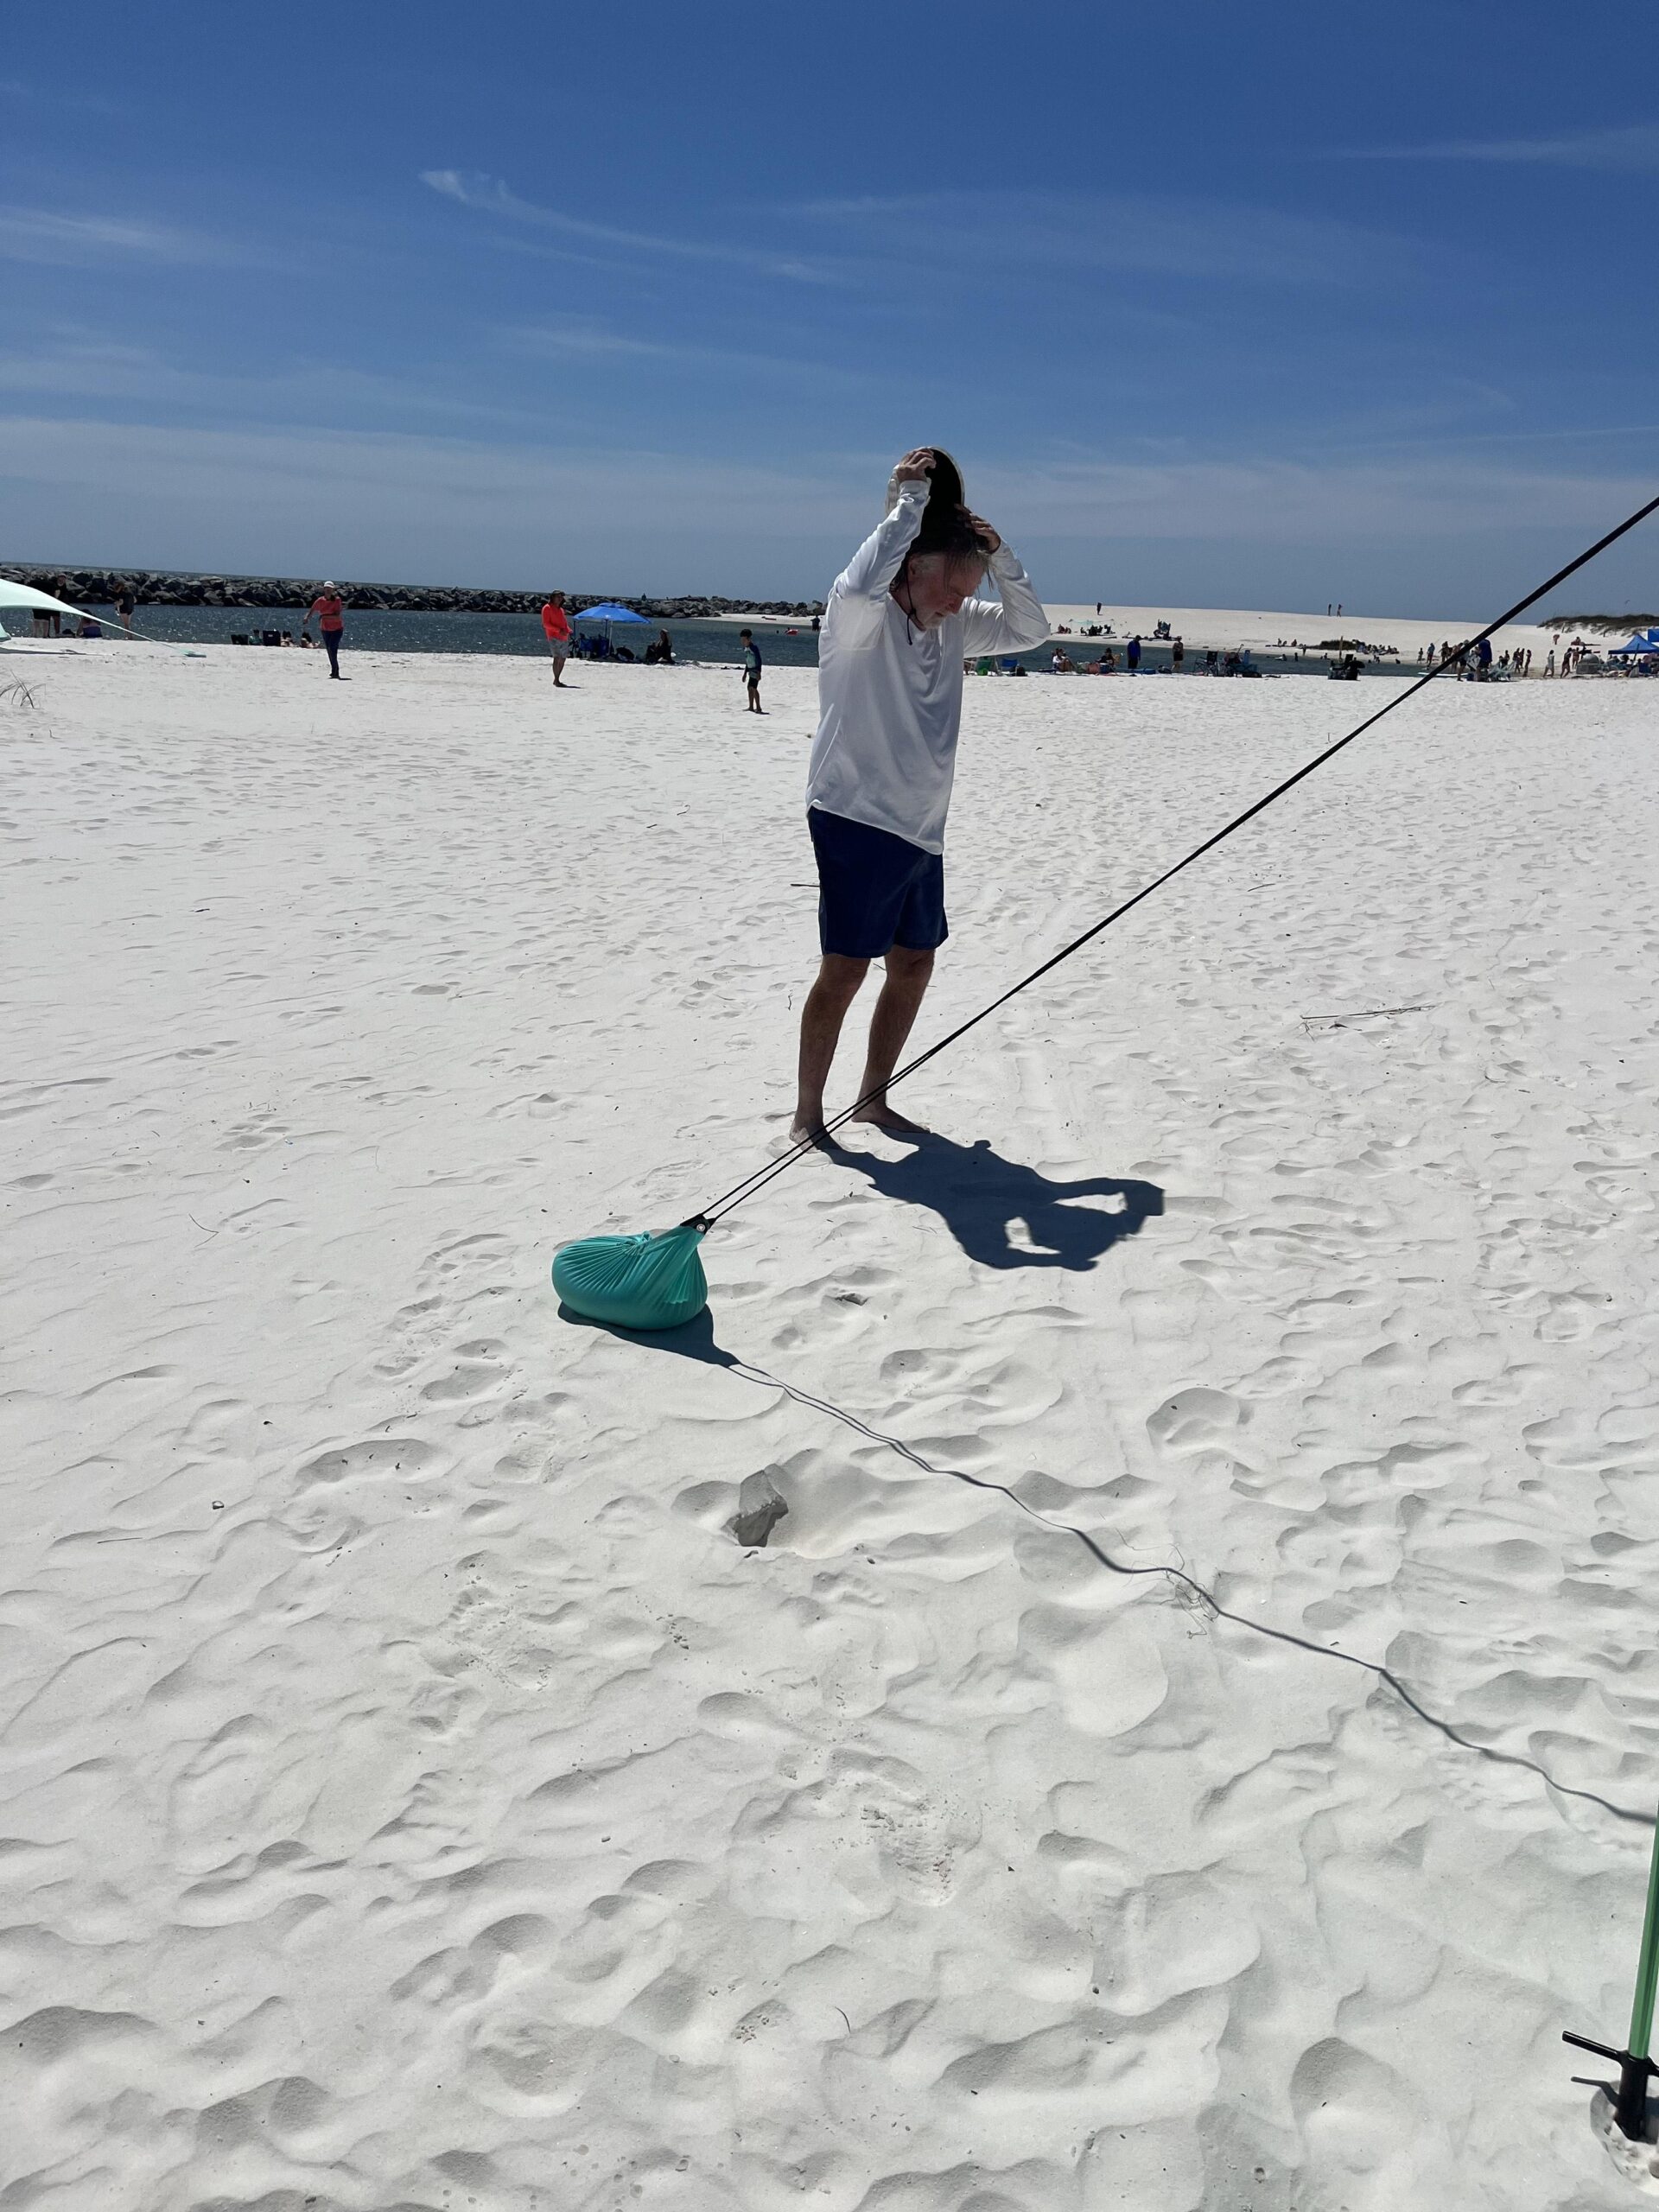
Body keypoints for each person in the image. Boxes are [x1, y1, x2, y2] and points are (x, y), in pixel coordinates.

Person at [791, 446, 1047, 1142]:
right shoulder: (859, 621)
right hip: (855, 814)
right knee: (846, 969)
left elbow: (1031, 629)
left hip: (922, 827)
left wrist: (1001, 555)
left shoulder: (954, 623)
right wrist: (907, 503)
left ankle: (871, 1100)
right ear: (912, 567)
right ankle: (808, 1115)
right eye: (950, 590)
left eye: (967, 593)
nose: (957, 604)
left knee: (913, 963)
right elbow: (860, 582)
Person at [308, 582, 346, 677]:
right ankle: (334, 670)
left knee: (332, 647)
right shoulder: (320, 600)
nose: (328, 590)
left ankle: (336, 670)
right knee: (329, 650)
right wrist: (307, 618)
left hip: (337, 629)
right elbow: (312, 609)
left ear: (333, 590)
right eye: (326, 588)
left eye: (330, 588)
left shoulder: (337, 600)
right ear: (324, 589)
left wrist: (324, 616)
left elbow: (337, 616)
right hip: (325, 629)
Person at [540, 590, 571, 683]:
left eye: (561, 597)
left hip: (563, 637)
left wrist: (568, 631)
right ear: (553, 597)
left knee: (563, 658)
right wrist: (559, 630)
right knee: (557, 657)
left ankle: (557, 679)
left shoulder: (560, 610)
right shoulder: (547, 608)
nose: (560, 599)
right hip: (553, 636)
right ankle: (556, 679)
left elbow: (564, 623)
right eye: (558, 596)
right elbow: (546, 624)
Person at [740, 627, 763, 713]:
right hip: (750, 671)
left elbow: (759, 660)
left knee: (752, 688)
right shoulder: (746, 649)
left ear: (749, 639)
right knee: (751, 688)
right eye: (742, 640)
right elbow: (748, 662)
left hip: (755, 671)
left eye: (744, 640)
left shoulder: (754, 648)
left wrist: (759, 672)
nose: (743, 642)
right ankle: (752, 707)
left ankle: (757, 707)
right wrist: (745, 673)